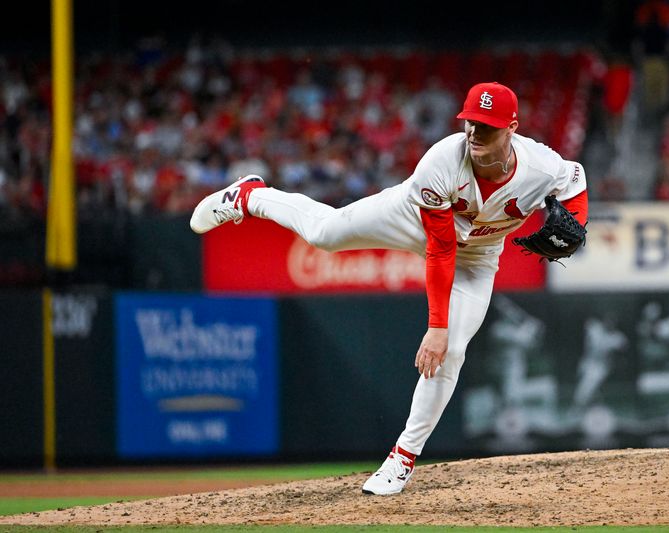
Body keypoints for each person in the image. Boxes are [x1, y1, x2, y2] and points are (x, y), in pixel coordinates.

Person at [189, 82, 589, 495]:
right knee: (325, 233)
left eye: (486, 127)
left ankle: (402, 457)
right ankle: (250, 196)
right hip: (413, 219)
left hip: (478, 257)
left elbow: (575, 182)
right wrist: (436, 325)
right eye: (470, 123)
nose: (474, 134)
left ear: (512, 129)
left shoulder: (541, 167)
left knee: (452, 351)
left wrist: (577, 221)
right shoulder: (441, 163)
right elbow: (440, 250)